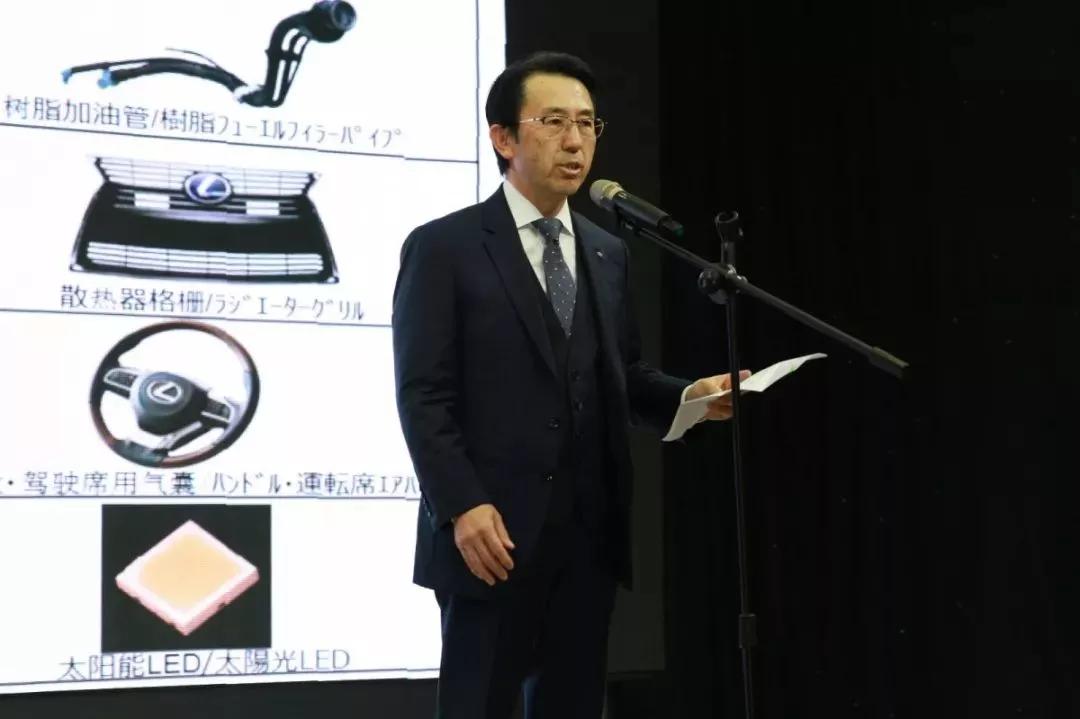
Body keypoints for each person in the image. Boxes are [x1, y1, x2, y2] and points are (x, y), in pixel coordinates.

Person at [392, 50, 747, 719]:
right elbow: (423, 394)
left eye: (587, 123)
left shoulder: (607, 251)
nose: (576, 141)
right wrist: (462, 505)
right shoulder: (445, 247)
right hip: (490, 538)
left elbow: (620, 374)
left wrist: (688, 398)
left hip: (587, 537)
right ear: (504, 138)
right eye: (554, 122)